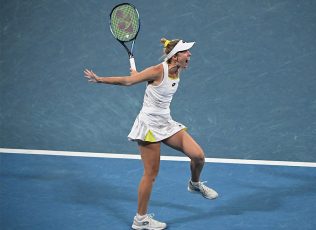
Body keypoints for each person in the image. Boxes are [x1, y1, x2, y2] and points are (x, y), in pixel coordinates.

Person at [84, 38, 218, 230]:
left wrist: (139, 75)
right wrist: (100, 79)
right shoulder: (157, 71)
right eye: (186, 52)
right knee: (151, 174)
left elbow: (141, 78)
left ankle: (194, 184)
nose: (190, 55)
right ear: (175, 56)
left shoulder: (177, 69)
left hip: (166, 123)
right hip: (148, 127)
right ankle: (140, 219)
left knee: (198, 156)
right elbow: (129, 81)